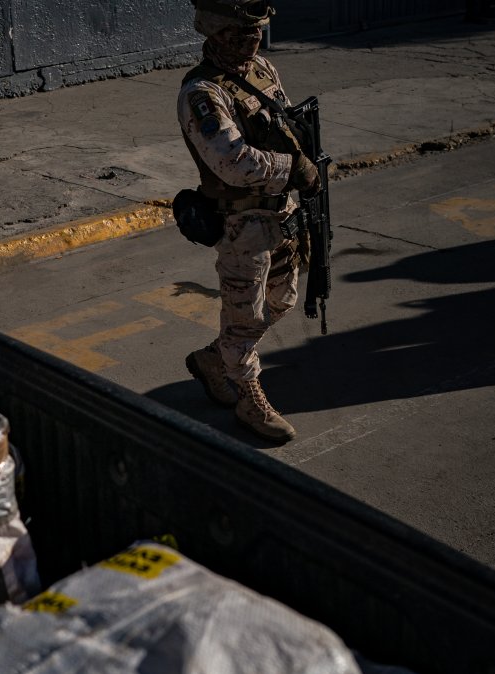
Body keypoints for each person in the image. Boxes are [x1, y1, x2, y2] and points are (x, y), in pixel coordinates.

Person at [177, 0, 320, 444]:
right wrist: (292, 168)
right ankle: (247, 396)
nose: (250, 39)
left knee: (283, 299)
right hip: (242, 223)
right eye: (239, 33)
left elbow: (286, 124)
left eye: (256, 31)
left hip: (281, 213)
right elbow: (232, 162)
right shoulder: (202, 93)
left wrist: (303, 160)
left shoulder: (260, 70)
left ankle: (215, 360)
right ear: (215, 33)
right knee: (245, 314)